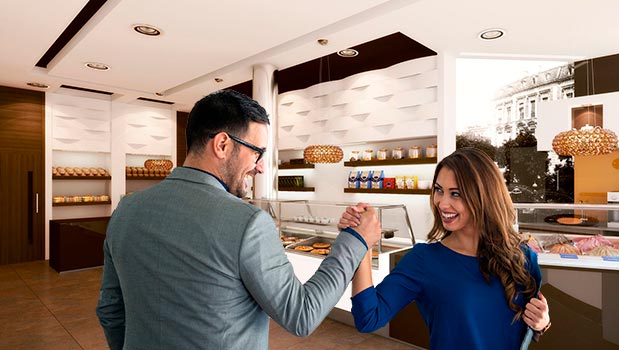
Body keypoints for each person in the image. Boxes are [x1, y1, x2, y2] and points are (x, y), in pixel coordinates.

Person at [96, 90, 382, 350]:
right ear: (222, 144)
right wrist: (355, 240)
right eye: (257, 152)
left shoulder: (127, 209)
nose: (259, 167)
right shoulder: (248, 222)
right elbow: (302, 315)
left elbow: (110, 310)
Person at [339, 147, 551, 349]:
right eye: (439, 190)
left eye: (455, 194)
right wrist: (362, 244)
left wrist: (542, 323)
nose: (442, 203)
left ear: (484, 196)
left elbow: (525, 326)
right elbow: (368, 318)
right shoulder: (424, 260)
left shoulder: (522, 257)